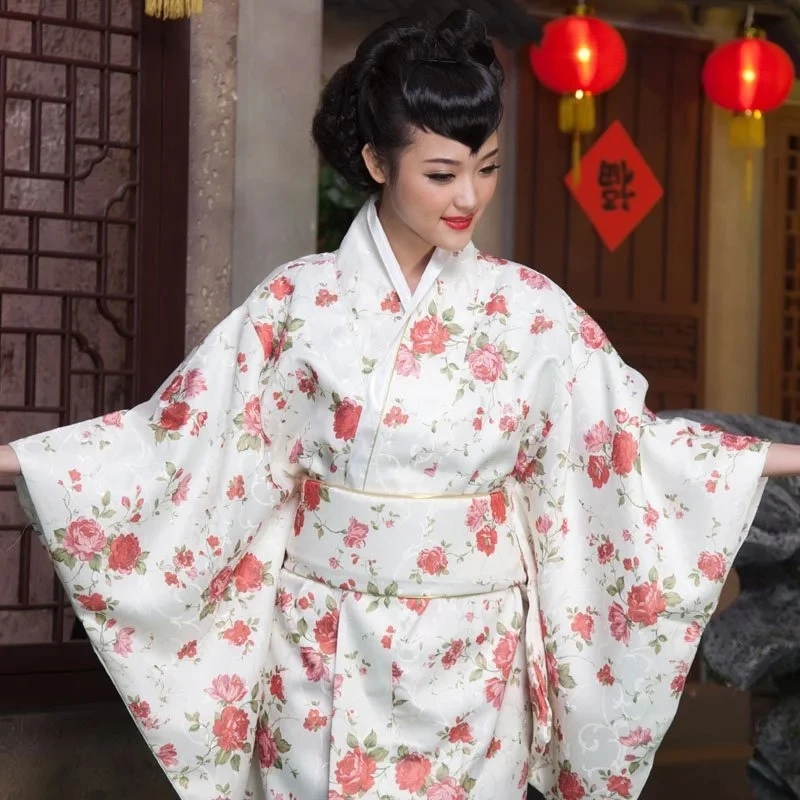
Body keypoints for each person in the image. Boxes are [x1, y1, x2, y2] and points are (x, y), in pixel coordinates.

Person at [1, 9, 799, 800]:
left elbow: (624, 446)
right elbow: (185, 440)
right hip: (322, 654)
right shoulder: (297, 303)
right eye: (442, 174)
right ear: (377, 162)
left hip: (474, 664)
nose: (469, 197)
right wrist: (21, 462)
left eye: (487, 168)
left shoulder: (532, 312)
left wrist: (783, 458)